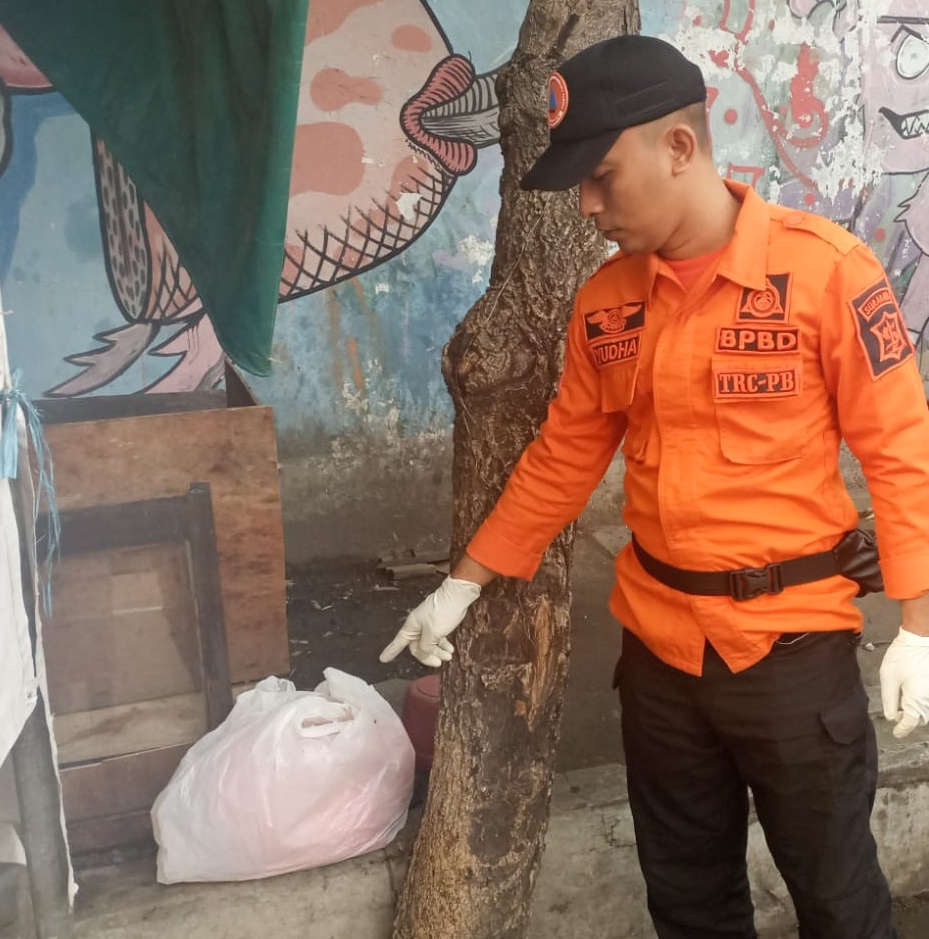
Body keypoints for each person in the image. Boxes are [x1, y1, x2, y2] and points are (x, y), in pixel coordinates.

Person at [379, 34, 929, 939]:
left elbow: (901, 451)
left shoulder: (824, 274)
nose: (589, 207)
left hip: (788, 654)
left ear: (678, 147)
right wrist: (461, 583)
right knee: (686, 902)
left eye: (601, 176)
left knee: (836, 899)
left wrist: (916, 624)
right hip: (661, 660)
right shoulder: (608, 302)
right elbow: (563, 454)